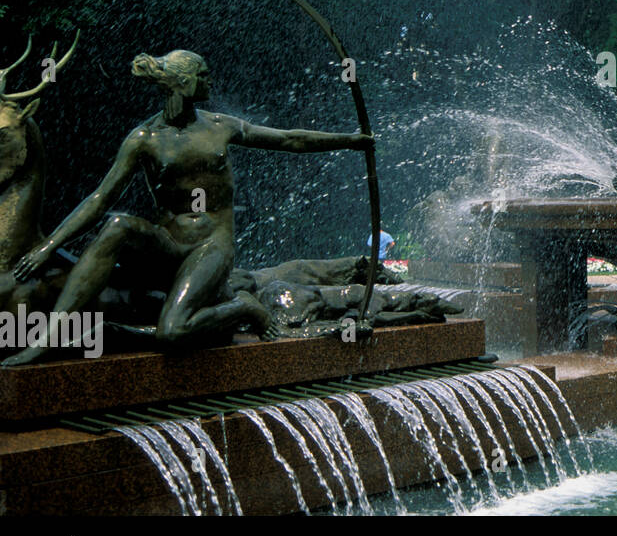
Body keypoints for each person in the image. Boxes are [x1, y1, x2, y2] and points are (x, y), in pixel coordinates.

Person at [3, 50, 372, 365]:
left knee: (172, 331)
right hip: (169, 245)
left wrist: (352, 141)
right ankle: (46, 339)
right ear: (183, 83)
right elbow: (100, 200)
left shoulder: (220, 127)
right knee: (117, 224)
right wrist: (47, 247)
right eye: (203, 76)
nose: (209, 83)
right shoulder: (143, 139)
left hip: (211, 246)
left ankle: (243, 307)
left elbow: (290, 139)